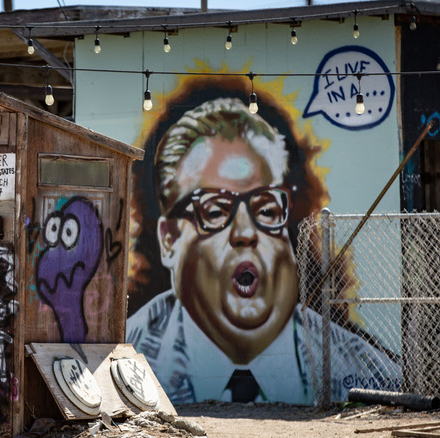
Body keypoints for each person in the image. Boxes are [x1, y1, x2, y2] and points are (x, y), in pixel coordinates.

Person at [126, 79, 399, 405]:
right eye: (216, 209)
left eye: (266, 208)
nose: (246, 232)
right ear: (169, 240)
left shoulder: (365, 370)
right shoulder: (129, 358)